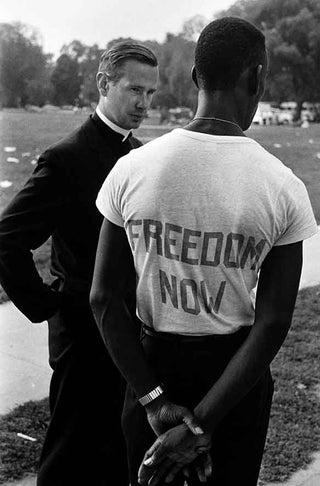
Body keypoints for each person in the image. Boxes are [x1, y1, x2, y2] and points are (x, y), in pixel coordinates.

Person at [90, 17, 318, 486]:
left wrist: (154, 400)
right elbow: (273, 321)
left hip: (150, 367)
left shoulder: (131, 169)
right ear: (256, 78)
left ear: (195, 77)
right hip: (235, 382)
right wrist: (203, 424)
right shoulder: (282, 186)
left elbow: (104, 298)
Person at [0, 42, 159, 485]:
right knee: (71, 454)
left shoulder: (140, 155)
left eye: (151, 93)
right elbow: (6, 240)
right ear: (104, 84)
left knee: (117, 448)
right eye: (134, 90)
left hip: (128, 328)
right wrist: (48, 306)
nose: (143, 103)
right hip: (82, 332)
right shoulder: (66, 158)